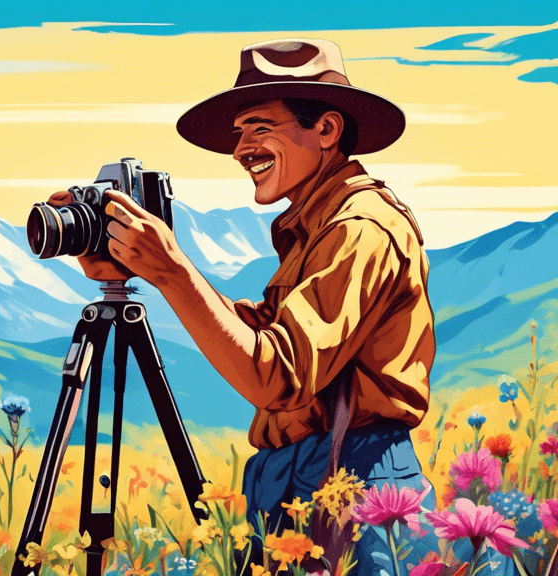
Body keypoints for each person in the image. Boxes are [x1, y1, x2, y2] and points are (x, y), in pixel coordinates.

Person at [48, 39, 440, 575]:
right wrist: (145, 266)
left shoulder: (360, 229)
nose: (241, 150)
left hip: (355, 483)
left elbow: (277, 375)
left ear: (326, 130)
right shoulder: (319, 225)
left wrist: (172, 271)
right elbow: (266, 333)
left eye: (259, 128)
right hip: (302, 478)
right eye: (240, 133)